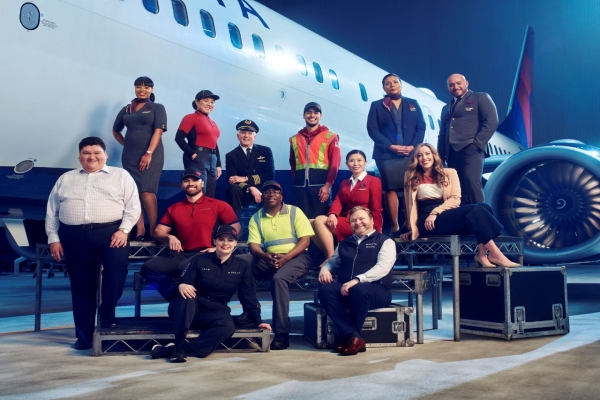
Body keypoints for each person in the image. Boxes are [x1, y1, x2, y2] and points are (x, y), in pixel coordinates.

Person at [46, 137, 141, 350]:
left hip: (111, 234)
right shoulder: (65, 179)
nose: (92, 157)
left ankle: (106, 314)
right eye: (86, 153)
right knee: (81, 286)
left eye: (96, 152)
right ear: (79, 156)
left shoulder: (121, 176)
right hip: (74, 235)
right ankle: (84, 336)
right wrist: (53, 238)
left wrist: (124, 230)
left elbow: (133, 206)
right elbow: (52, 210)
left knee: (116, 273)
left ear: (105, 155)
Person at [150, 225, 272, 363]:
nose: (225, 243)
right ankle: (178, 347)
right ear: (215, 241)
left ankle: (175, 349)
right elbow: (183, 280)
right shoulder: (199, 260)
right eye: (221, 239)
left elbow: (248, 295)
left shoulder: (242, 266)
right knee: (187, 296)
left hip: (215, 310)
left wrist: (258, 321)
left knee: (227, 326)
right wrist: (181, 285)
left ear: (235, 243)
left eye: (230, 240)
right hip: (189, 308)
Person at [399, 143, 520, 268]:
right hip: (426, 220)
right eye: (420, 155)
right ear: (416, 159)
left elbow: (455, 199)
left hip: (442, 214)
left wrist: (435, 212)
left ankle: (482, 254)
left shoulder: (450, 173)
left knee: (485, 207)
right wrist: (408, 228)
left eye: (427, 154)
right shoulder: (410, 176)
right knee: (477, 209)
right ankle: (495, 254)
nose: (424, 158)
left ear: (434, 155)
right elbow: (408, 205)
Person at [140, 168, 241, 301]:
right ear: (182, 184)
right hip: (182, 254)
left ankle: (190, 303)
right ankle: (177, 297)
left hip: (207, 254)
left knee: (185, 269)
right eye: (186, 180)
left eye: (195, 180)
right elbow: (158, 232)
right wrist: (170, 236)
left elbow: (236, 230)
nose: (191, 183)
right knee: (149, 268)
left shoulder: (219, 205)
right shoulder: (174, 208)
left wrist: (218, 248)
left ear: (202, 183)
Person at [243, 180, 314, 350]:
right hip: (269, 257)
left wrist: (286, 257)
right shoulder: (257, 217)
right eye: (267, 191)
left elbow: (305, 240)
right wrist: (265, 255)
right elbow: (253, 245)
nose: (271, 194)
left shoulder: (294, 212)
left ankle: (282, 333)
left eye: (275, 191)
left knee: (278, 279)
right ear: (262, 196)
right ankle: (252, 316)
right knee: (241, 264)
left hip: (297, 256)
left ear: (281, 195)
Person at [317, 206, 395, 356]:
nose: (358, 223)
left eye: (361, 219)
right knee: (325, 290)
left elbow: (383, 267)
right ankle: (354, 337)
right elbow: (333, 262)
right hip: (347, 290)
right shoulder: (344, 244)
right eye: (353, 220)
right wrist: (325, 269)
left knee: (359, 289)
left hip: (377, 291)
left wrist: (358, 280)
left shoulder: (386, 242)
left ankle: (348, 337)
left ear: (371, 220)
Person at [367, 73, 426, 236]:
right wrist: (390, 146)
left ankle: (409, 222)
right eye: (387, 83)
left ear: (401, 84)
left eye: (395, 82)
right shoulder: (377, 105)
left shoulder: (412, 104)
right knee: (390, 188)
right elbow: (372, 129)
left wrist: (413, 147)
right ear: (383, 88)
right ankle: (394, 225)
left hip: (409, 153)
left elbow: (421, 127)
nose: (391, 85)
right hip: (386, 154)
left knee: (410, 187)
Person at [112, 76, 167, 240]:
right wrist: (126, 144)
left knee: (147, 191)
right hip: (130, 156)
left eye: (146, 87)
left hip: (151, 155)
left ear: (152, 89)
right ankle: (140, 230)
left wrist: (148, 153)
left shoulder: (157, 107)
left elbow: (158, 131)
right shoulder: (127, 109)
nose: (142, 90)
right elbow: (116, 130)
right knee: (133, 192)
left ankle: (153, 230)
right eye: (138, 86)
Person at [311, 150, 383, 264]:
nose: (356, 164)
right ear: (347, 164)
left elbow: (376, 208)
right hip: (348, 219)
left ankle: (331, 258)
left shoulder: (373, 181)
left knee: (319, 220)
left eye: (359, 160)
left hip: (362, 223)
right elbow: (338, 200)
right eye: (352, 161)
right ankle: (332, 255)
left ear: (365, 162)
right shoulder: (345, 182)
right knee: (310, 223)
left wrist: (376, 232)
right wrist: (333, 214)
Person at [437, 73, 499, 205]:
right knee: (458, 188)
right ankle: (466, 220)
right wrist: (440, 155)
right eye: (451, 85)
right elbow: (442, 134)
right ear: (448, 88)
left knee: (472, 182)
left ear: (467, 83)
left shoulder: (480, 97)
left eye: (459, 83)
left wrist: (477, 144)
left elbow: (492, 121)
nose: (455, 87)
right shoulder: (445, 108)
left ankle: (484, 217)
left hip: (471, 150)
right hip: (452, 153)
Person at [289, 102, 341, 219]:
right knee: (302, 221)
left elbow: (335, 163)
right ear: (304, 116)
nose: (312, 115)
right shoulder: (294, 139)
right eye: (308, 112)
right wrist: (296, 183)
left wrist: (327, 186)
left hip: (320, 187)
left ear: (320, 116)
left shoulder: (330, 136)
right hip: (300, 187)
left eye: (315, 113)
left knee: (321, 221)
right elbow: (293, 164)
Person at [175, 90, 223, 198]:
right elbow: (179, 138)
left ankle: (207, 215)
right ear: (197, 101)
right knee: (198, 193)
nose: (209, 104)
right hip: (198, 157)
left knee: (210, 195)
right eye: (206, 101)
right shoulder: (191, 117)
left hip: (212, 159)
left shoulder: (213, 122)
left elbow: (215, 144)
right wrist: (192, 154)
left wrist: (218, 164)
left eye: (212, 102)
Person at [225, 119, 275, 219]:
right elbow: (232, 180)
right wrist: (251, 188)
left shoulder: (265, 151)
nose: (246, 136)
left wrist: (245, 178)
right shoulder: (231, 155)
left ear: (254, 137)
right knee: (233, 189)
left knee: (274, 189)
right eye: (243, 133)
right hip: (242, 192)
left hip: (263, 189)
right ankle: (235, 224)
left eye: (249, 133)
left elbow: (270, 175)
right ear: (238, 136)